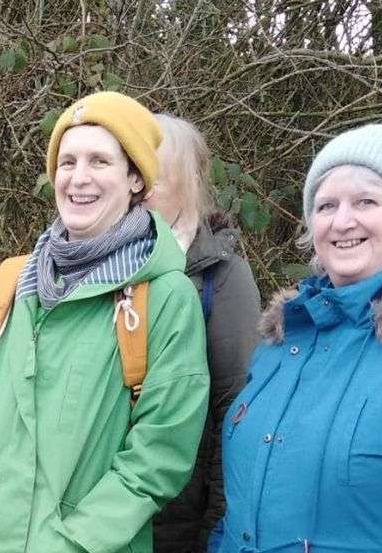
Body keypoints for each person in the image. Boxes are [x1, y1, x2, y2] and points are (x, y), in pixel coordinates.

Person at [0, 91, 210, 553]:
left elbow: (159, 454)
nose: (79, 178)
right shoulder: (12, 283)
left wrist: (77, 542)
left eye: (100, 161)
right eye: (67, 162)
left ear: (135, 178)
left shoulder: (165, 297)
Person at [211, 124, 382, 553]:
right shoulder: (279, 345)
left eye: (366, 201)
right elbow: (241, 507)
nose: (342, 221)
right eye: (326, 205)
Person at [146, 115, 261, 552]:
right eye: (136, 175)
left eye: (157, 179)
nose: (142, 192)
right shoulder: (96, 264)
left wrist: (215, 530)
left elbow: (237, 411)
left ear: (189, 183)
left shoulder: (220, 277)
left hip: (174, 527)